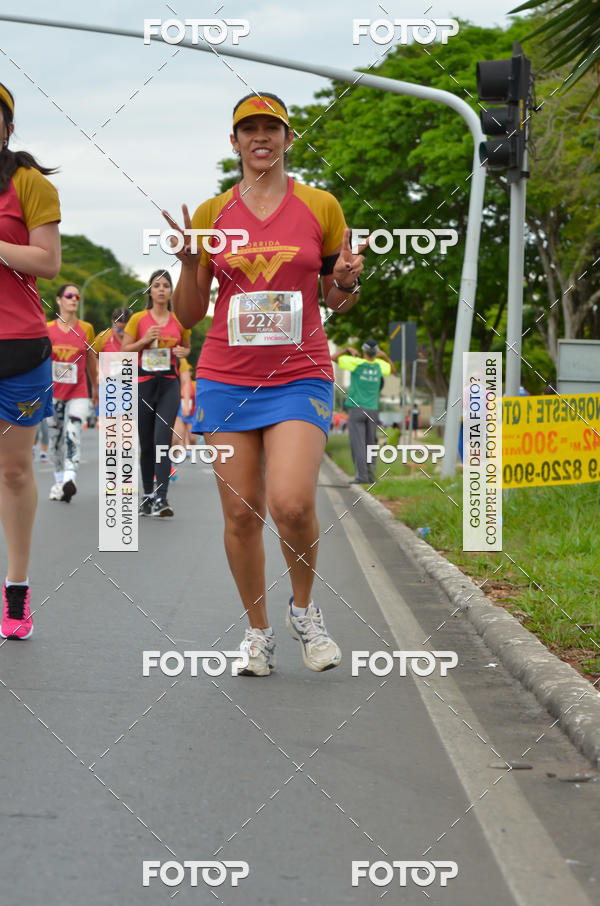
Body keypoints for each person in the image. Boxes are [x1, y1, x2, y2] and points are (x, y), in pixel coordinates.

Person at [163, 92, 367, 676]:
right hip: (227, 379)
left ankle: (306, 612)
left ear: (287, 138)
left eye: (271, 128)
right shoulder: (210, 214)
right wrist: (186, 261)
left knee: (293, 503)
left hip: (299, 373)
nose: (261, 138)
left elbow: (336, 300)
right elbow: (190, 314)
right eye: (248, 129)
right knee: (241, 515)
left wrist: (348, 282)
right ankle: (258, 633)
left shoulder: (321, 206)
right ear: (234, 143)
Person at [0, 81, 61, 639]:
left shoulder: (28, 184)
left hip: (15, 348)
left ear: (7, 127)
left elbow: (48, 262)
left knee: (15, 471)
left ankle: (16, 593)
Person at [121, 270, 191, 516]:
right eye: (157, 285)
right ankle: (148, 495)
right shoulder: (138, 319)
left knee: (163, 439)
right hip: (143, 384)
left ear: (171, 291)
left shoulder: (179, 320)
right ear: (150, 291)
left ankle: (162, 499)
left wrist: (183, 353)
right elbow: (123, 352)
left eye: (166, 285)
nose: (161, 289)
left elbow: (185, 347)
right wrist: (142, 342)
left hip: (169, 385)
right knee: (147, 443)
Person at [47, 284, 97, 502]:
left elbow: (92, 361)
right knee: (55, 440)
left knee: (73, 433)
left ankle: (70, 478)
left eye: (77, 296)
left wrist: (95, 387)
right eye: (69, 295)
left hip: (79, 392)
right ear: (59, 300)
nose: (74, 299)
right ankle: (59, 482)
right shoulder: (47, 329)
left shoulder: (86, 328)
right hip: (53, 394)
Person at [332, 339, 395, 484]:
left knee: (358, 443)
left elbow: (333, 358)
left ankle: (361, 477)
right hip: (372, 410)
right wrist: (384, 356)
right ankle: (371, 476)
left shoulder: (355, 363)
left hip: (357, 409)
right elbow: (392, 370)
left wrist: (347, 349)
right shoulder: (380, 365)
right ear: (376, 352)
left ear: (363, 350)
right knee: (370, 443)